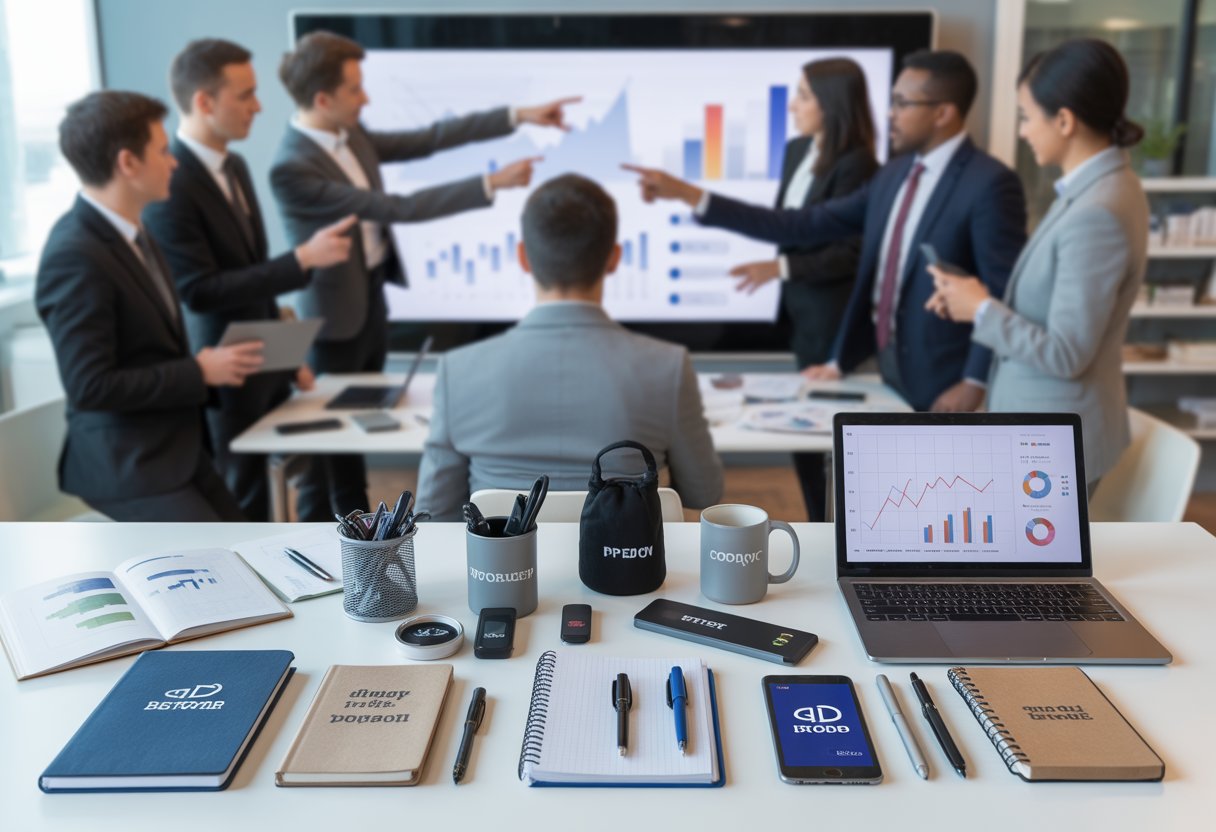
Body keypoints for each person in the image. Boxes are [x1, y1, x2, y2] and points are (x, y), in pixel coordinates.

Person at [269, 30, 581, 520]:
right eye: (355, 89)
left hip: (368, 299)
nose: (365, 97)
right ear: (323, 99)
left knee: (354, 442)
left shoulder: (349, 135)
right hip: (334, 320)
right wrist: (490, 183)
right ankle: (322, 557)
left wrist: (518, 116)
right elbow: (400, 207)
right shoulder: (292, 167)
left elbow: (431, 138)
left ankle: (359, 535)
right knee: (325, 455)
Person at [626, 50, 1027, 415]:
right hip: (885, 369)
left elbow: (1001, 291)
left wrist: (974, 382)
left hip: (944, 379)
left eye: (902, 103)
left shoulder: (989, 183)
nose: (889, 113)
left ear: (943, 113)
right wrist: (689, 194)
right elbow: (798, 224)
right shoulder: (893, 175)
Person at [416, 174, 724, 520]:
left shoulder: (456, 371)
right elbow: (705, 494)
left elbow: (433, 514)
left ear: (523, 258)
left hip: (503, 570)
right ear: (614, 258)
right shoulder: (668, 367)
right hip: (630, 570)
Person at [144, 38, 356, 521]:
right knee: (245, 503)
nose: (259, 107)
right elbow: (199, 290)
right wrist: (301, 259)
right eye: (245, 95)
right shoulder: (171, 183)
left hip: (263, 361)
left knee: (311, 480)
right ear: (203, 101)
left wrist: (285, 359)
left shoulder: (235, 164)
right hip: (224, 368)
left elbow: (249, 274)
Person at [926, 39, 1148, 490]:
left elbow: (1066, 353)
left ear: (1064, 120)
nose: (1023, 131)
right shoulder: (1102, 188)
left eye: (1027, 116)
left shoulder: (1096, 212)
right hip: (1042, 433)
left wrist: (983, 310)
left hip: (1053, 444)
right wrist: (973, 298)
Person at [36, 91, 265, 521]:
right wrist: (199, 371)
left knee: (251, 545)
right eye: (162, 152)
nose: (174, 161)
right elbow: (91, 386)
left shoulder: (136, 233)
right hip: (128, 463)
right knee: (225, 561)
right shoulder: (75, 254)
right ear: (128, 163)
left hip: (175, 448)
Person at [702, 57, 879, 520]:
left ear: (832, 103)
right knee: (803, 437)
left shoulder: (859, 164)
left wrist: (780, 267)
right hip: (802, 316)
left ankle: (834, 526)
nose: (793, 106)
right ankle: (818, 518)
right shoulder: (799, 150)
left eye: (803, 95)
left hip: (832, 319)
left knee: (829, 441)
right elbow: (790, 225)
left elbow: (852, 251)